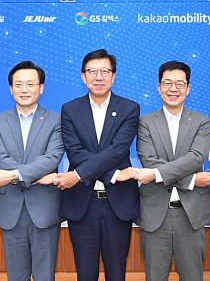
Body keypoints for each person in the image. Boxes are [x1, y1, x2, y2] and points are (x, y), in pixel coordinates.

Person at [56, 49, 140, 281]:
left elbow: (117, 150)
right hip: (82, 203)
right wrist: (113, 174)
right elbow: (75, 152)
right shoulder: (70, 109)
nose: (99, 77)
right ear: (83, 76)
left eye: (105, 71)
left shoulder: (129, 108)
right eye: (93, 72)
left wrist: (78, 174)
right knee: (85, 274)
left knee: (117, 273)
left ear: (114, 76)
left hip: (118, 204)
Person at [134, 60, 210, 281]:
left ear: (188, 88)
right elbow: (149, 161)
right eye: (167, 83)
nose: (173, 89)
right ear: (159, 87)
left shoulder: (201, 121)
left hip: (191, 214)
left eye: (180, 83)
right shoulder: (145, 122)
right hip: (154, 214)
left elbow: (196, 157)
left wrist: (157, 174)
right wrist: (190, 180)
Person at [0, 61, 64, 281]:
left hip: (45, 208)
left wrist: (13, 175)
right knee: (16, 275)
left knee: (44, 275)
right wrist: (36, 177)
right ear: (11, 88)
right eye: (18, 84)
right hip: (10, 208)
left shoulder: (56, 120)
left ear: (41, 88)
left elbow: (52, 158)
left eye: (30, 84)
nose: (24, 89)